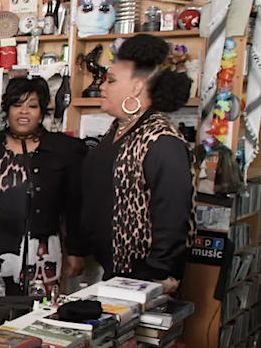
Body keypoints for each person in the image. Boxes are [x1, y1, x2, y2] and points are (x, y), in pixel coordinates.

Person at [71, 34, 195, 294]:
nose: (102, 87)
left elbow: (173, 212)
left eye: (111, 81)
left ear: (137, 87)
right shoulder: (118, 130)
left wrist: (159, 273)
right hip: (112, 272)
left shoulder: (162, 140)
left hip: (145, 279)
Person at [0, 77, 87, 295]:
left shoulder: (65, 150)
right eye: (17, 105)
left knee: (40, 313)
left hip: (44, 249)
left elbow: (75, 205)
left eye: (32, 106)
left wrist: (76, 251)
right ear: (7, 109)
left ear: (42, 111)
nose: (24, 112)